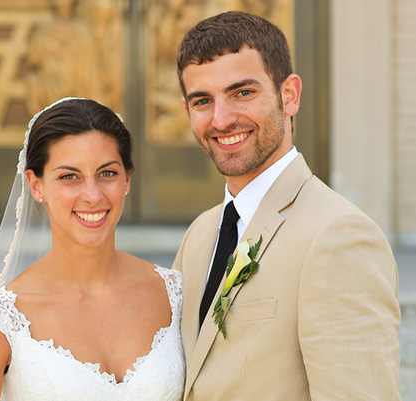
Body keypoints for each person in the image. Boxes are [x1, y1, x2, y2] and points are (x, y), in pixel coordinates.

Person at [172, 11, 401, 401]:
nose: (222, 119)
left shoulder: (340, 236)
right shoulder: (200, 234)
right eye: (202, 101)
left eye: (243, 92)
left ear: (289, 95)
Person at [0, 98, 185, 401]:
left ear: (127, 178)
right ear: (36, 185)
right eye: (69, 177)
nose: (92, 195)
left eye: (107, 173)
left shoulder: (174, 292)